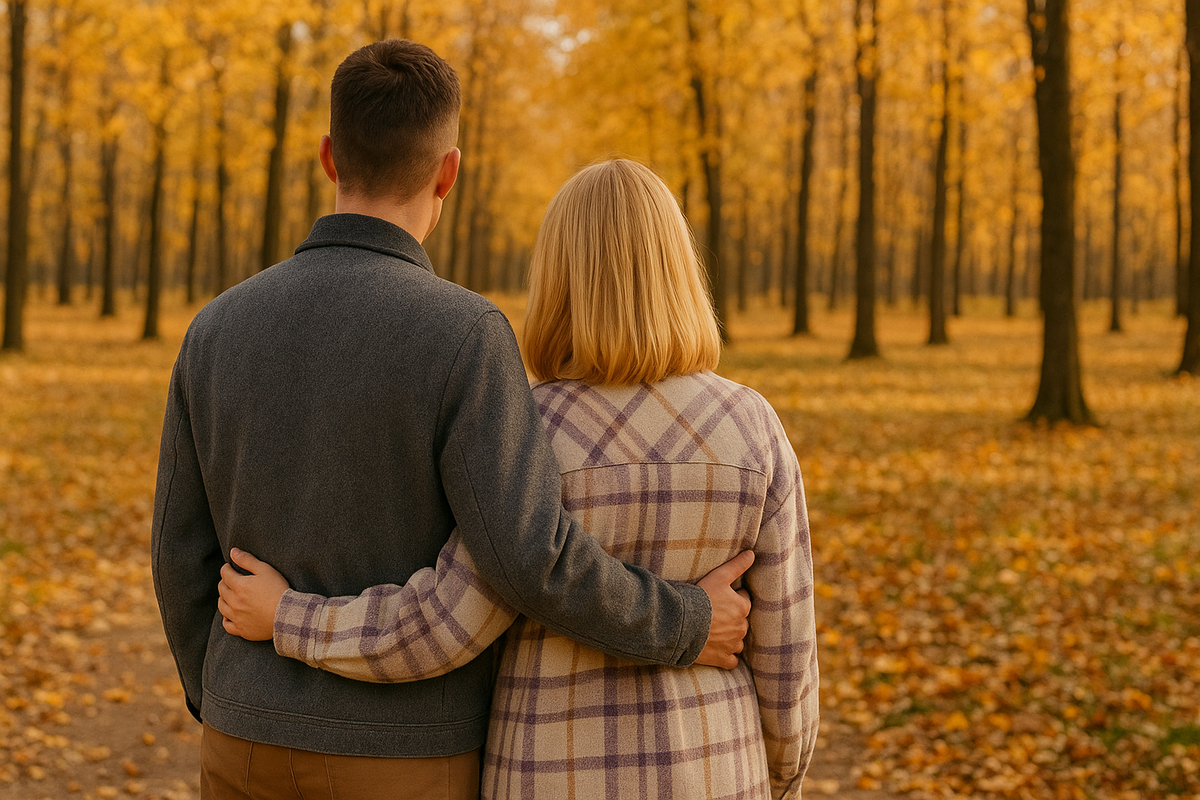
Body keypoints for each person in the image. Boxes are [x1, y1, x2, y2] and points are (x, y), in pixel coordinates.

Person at [150, 41, 754, 800]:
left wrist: (226, 700)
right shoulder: (466, 334)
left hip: (240, 742)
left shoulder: (214, 328)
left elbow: (178, 553)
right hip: (403, 759)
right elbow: (528, 559)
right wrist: (685, 621)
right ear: (449, 171)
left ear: (329, 156)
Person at [219, 159, 820, 799]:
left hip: (549, 774)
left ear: (558, 277)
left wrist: (290, 617)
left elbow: (441, 628)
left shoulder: (521, 425)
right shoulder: (753, 427)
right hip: (716, 768)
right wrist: (777, 779)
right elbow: (788, 658)